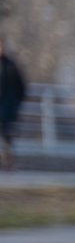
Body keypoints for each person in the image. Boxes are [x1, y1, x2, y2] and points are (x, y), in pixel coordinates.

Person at [0, 39, 25, 171]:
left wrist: (16, 103)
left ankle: (8, 163)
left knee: (7, 138)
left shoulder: (11, 66)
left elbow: (21, 87)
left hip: (7, 109)